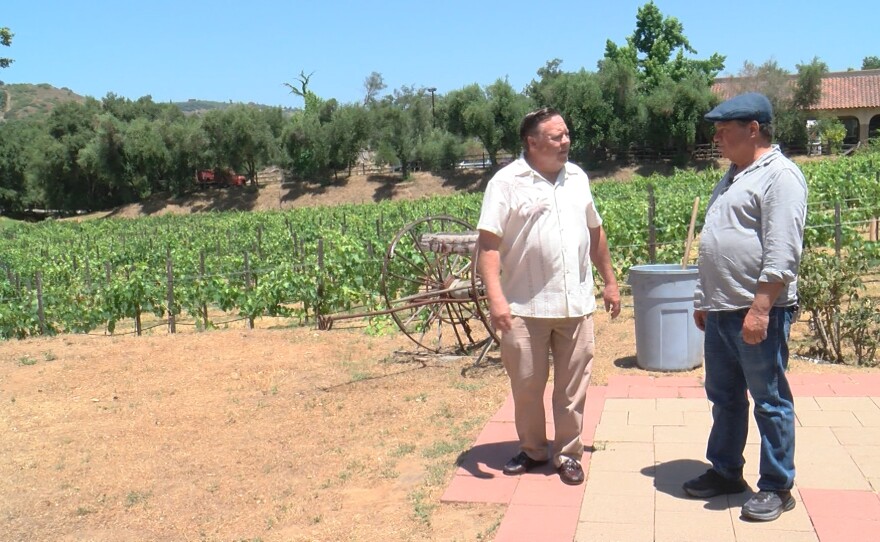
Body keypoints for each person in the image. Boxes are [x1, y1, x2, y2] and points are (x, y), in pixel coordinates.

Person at [476, 107, 620, 486]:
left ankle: (568, 453)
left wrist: (609, 280)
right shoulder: (506, 183)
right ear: (532, 142)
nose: (566, 142)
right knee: (526, 385)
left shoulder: (578, 178)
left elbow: (595, 231)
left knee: (573, 387)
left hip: (576, 304)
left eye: (567, 134)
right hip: (524, 306)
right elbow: (488, 245)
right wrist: (496, 299)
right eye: (556, 137)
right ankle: (533, 449)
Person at [682, 92, 808, 522]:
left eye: (724, 129)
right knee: (724, 397)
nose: (716, 136)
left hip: (756, 311)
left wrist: (760, 309)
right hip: (721, 310)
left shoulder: (780, 177)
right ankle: (726, 471)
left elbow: (782, 250)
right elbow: (717, 241)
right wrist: (704, 299)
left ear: (753, 129)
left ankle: (777, 485)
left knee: (769, 398)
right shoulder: (736, 174)